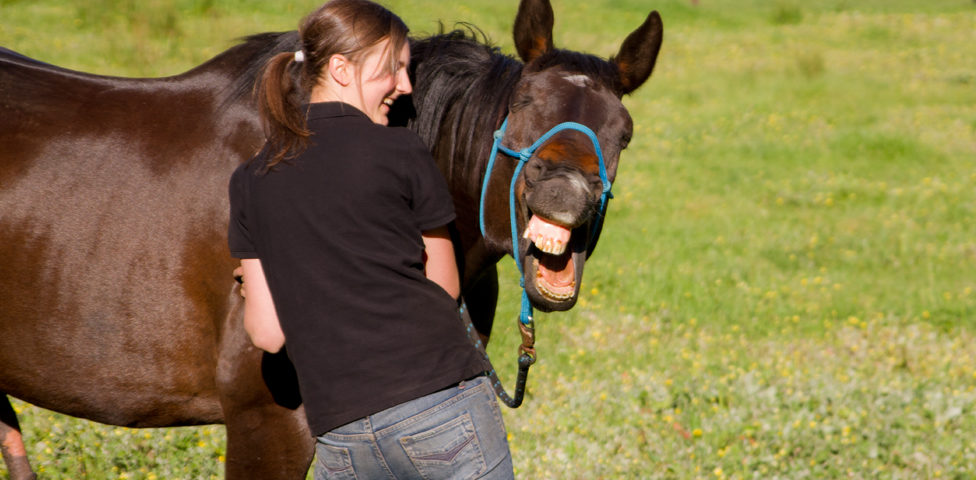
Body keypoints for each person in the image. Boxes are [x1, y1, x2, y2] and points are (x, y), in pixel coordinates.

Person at [226, 1, 514, 478]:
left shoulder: (250, 179)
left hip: (341, 433)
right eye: (394, 69)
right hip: (441, 408)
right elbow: (444, 288)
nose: (405, 86)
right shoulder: (402, 150)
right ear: (340, 68)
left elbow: (266, 332)